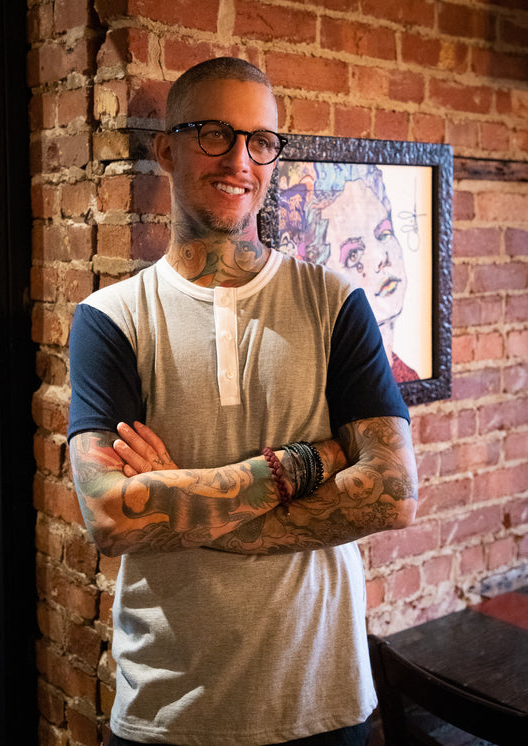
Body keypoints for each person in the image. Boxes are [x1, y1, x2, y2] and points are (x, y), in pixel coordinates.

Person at [68, 57, 418, 746]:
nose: (239, 160)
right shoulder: (110, 319)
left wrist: (177, 500)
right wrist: (303, 464)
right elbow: (109, 516)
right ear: (166, 149)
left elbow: (392, 494)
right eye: (214, 134)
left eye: (260, 141)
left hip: (321, 699)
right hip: (166, 708)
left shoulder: (335, 302)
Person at [279, 162, 419, 382]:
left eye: (383, 234)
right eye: (353, 254)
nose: (380, 258)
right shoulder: (319, 385)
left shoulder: (407, 377)